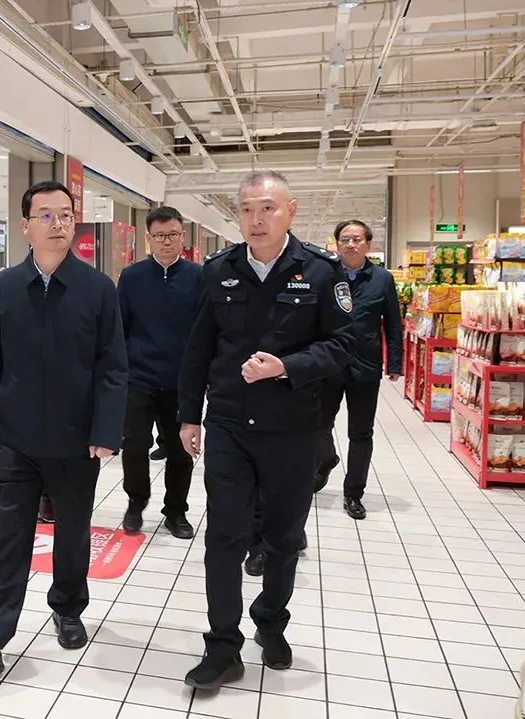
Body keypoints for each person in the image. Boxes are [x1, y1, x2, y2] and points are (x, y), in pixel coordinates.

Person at [178, 170, 354, 691]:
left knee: (282, 537)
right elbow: (198, 347)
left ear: (290, 211)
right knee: (223, 537)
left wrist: (286, 367)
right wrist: (188, 415)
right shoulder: (219, 271)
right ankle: (222, 645)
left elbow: (345, 345)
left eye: (267, 208)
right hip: (229, 424)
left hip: (292, 428)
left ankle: (271, 623)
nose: (256, 219)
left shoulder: (321, 272)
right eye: (247, 210)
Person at [0, 181, 128, 677]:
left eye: (65, 214)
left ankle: (67, 607)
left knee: (73, 529)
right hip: (17, 438)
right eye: (45, 215)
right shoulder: (5, 286)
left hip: (76, 439)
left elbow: (113, 366)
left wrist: (106, 431)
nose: (57, 223)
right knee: (7, 536)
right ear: (25, 225)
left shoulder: (97, 288)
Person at [119, 206, 204, 538]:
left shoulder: (199, 278)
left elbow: (205, 332)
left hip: (182, 382)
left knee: (181, 452)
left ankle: (176, 511)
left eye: (173, 235)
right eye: (160, 236)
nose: (167, 241)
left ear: (183, 236)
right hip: (139, 378)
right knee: (134, 446)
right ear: (149, 238)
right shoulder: (132, 277)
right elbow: (120, 327)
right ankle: (136, 502)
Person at [316, 220, 403, 519]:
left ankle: (353, 493)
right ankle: (326, 459)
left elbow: (393, 324)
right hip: (328, 363)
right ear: (336, 244)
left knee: (361, 433)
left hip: (365, 366)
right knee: (318, 424)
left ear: (368, 244)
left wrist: (394, 363)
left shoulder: (382, 279)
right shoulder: (325, 274)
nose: (350, 244)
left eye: (356, 239)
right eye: (345, 239)